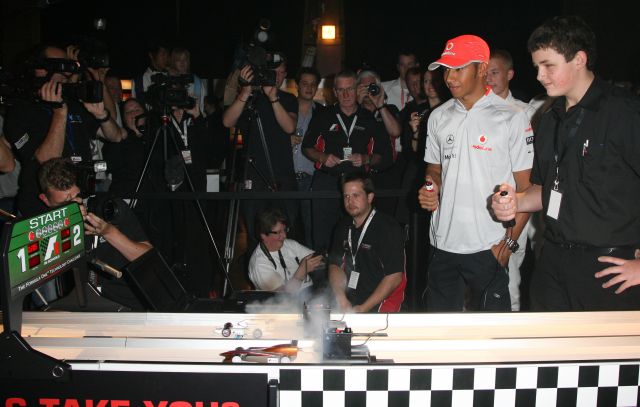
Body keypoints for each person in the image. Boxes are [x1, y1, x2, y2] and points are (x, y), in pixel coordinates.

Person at [491, 15, 640, 311]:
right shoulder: (548, 118)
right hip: (553, 263)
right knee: (546, 340)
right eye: (537, 67)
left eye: (549, 66)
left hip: (610, 267)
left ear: (579, 60)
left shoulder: (623, 112)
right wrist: (515, 201)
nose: (540, 76)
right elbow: (544, 189)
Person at [418, 34, 533, 312]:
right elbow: (434, 168)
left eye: (458, 68)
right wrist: (431, 186)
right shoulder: (438, 116)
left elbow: (528, 189)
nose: (449, 77)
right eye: (446, 69)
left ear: (481, 69)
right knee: (440, 330)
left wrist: (507, 245)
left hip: (488, 245)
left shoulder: (512, 116)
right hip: (442, 243)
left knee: (491, 332)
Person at [4, 44, 125, 218]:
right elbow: (46, 160)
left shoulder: (75, 102)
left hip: (79, 196)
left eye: (68, 64)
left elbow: (116, 136)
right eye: (58, 64)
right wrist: (60, 112)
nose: (66, 71)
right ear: (39, 69)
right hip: (43, 208)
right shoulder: (21, 110)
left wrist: (101, 115)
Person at [38, 157, 152, 310]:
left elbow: (148, 259)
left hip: (130, 305)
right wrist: (64, 226)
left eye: (77, 197)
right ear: (45, 200)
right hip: (81, 307)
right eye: (64, 204)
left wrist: (109, 233)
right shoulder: (45, 227)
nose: (75, 205)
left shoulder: (108, 208)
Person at [302, 70, 388, 252]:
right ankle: (323, 269)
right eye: (341, 90)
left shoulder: (368, 117)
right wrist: (322, 157)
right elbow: (307, 147)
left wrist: (365, 158)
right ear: (334, 92)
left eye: (350, 89)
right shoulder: (323, 116)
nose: (346, 94)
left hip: (357, 185)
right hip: (327, 182)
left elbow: (381, 155)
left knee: (358, 236)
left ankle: (355, 269)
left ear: (357, 90)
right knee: (322, 239)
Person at [222, 55, 299, 251]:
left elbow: (289, 127)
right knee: (255, 235)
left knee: (285, 233)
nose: (277, 76)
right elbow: (227, 122)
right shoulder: (250, 99)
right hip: (254, 177)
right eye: (273, 72)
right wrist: (245, 91)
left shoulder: (288, 99)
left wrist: (273, 98)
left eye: (281, 72)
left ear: (285, 75)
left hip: (282, 176)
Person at [486, 48, 537, 311]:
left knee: (509, 274)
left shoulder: (527, 113)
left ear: (510, 74)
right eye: (485, 73)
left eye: (494, 73)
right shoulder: (471, 112)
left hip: (515, 209)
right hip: (480, 208)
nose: (488, 79)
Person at [328, 172, 406, 313]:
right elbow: (335, 266)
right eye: (346, 196)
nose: (350, 202)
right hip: (352, 302)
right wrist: (341, 299)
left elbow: (394, 277)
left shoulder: (388, 227)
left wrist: (363, 308)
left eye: (355, 195)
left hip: (383, 305)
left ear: (370, 197)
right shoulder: (342, 226)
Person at [248, 207, 324, 295]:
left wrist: (324, 259)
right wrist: (302, 272)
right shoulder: (259, 265)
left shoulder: (289, 244)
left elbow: (320, 261)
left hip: (310, 292)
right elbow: (280, 297)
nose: (284, 236)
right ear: (264, 235)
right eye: (278, 232)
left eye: (284, 230)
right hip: (287, 301)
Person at [356, 70, 400, 216]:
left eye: (371, 86)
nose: (368, 91)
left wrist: (380, 105)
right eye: (363, 87)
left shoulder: (389, 109)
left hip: (387, 177)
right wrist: (357, 103)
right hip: (361, 177)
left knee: (386, 220)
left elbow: (395, 132)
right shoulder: (354, 112)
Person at [293, 68, 324, 247]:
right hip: (286, 177)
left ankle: (312, 262)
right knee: (285, 225)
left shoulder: (322, 113)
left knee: (311, 226)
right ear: (297, 85)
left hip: (310, 177)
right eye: (305, 83)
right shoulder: (286, 109)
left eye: (313, 84)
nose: (309, 87)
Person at [169, 47, 207, 114]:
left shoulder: (197, 82)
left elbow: (201, 105)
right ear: (173, 62)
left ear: (188, 61)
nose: (182, 62)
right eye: (178, 60)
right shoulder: (168, 80)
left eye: (185, 59)